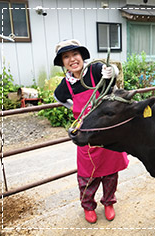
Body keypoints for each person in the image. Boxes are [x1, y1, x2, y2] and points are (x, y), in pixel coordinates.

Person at [53, 39, 129, 223]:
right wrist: (76, 110)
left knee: (111, 173)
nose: (72, 59)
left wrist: (113, 72)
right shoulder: (66, 85)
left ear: (81, 56)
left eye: (75, 54)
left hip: (106, 130)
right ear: (63, 63)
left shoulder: (96, 71)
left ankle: (109, 202)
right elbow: (60, 98)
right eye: (66, 57)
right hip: (86, 133)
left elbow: (112, 74)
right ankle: (88, 206)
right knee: (87, 175)